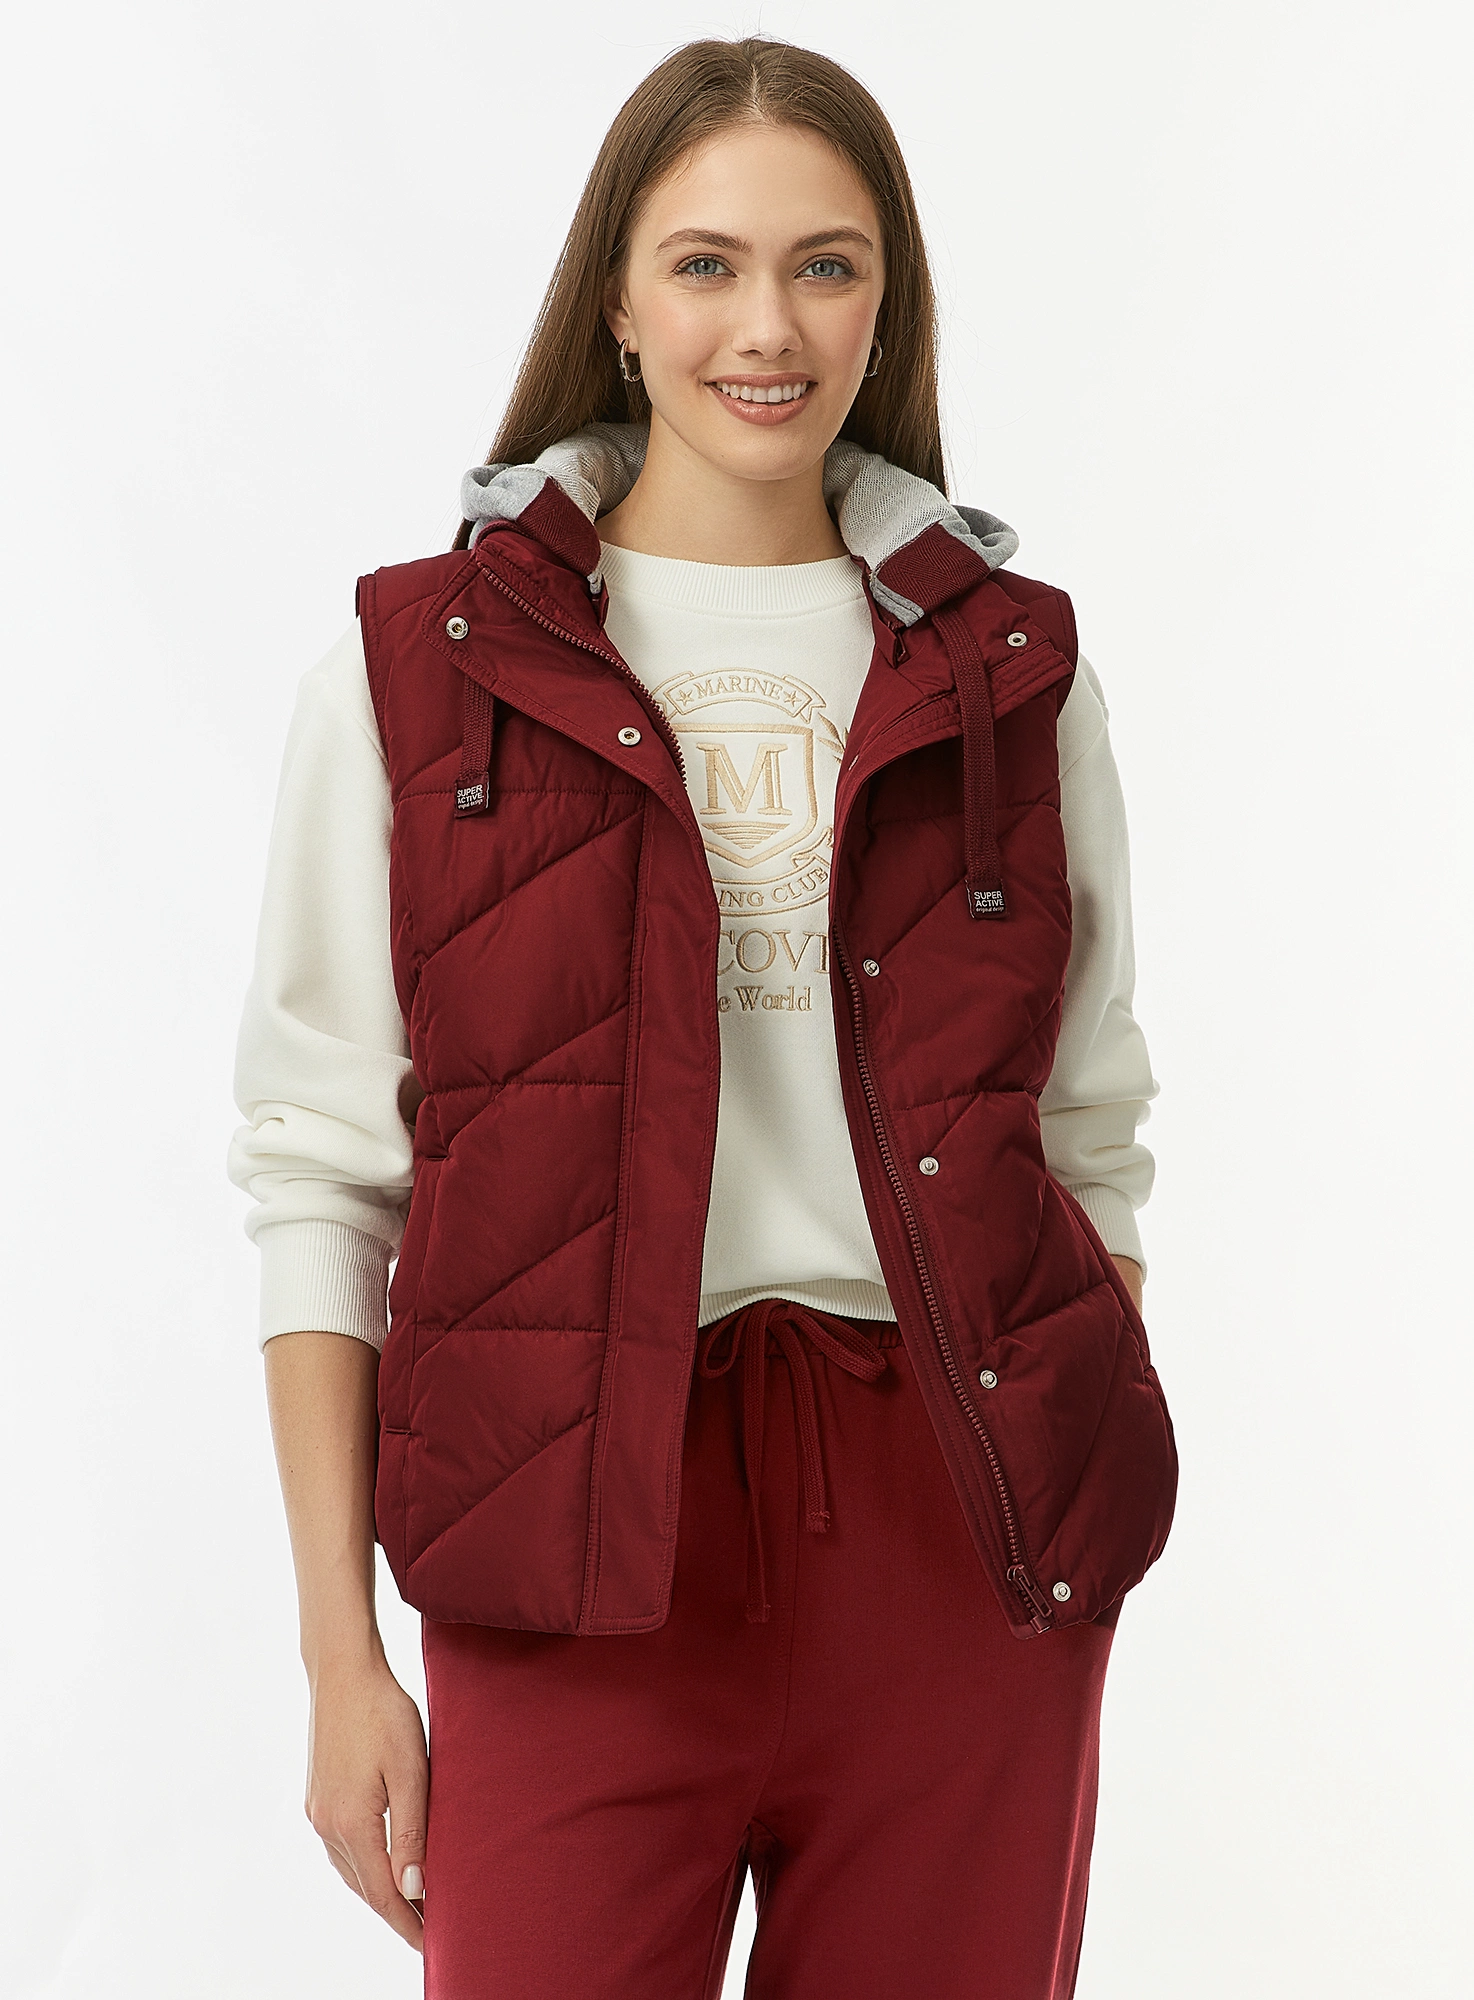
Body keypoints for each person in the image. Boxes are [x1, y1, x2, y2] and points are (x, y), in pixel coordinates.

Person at [228, 33, 1176, 1999]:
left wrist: (1045, 1494)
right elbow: (321, 1171)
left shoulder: (1009, 675)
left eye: (826, 265)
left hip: (954, 1536)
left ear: (885, 301)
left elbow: (1089, 1134)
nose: (768, 326)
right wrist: (339, 1657)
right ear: (617, 297)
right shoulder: (422, 671)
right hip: (566, 1530)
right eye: (705, 264)